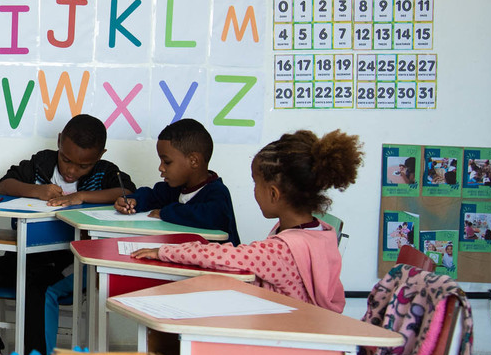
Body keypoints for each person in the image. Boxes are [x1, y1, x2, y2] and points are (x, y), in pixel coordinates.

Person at [131, 129, 362, 313]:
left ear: (273, 193)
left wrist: (163, 252)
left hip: (279, 341)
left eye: (255, 183)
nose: (254, 191)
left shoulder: (283, 250)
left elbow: (223, 255)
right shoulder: (320, 232)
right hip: (299, 330)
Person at [0, 114, 136, 355]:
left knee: (39, 289)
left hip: (71, 263)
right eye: (66, 159)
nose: (71, 170)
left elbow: (127, 191)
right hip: (27, 258)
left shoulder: (105, 172)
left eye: (83, 166)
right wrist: (36, 191)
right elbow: (4, 185)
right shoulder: (40, 164)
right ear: (59, 141)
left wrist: (82, 196)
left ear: (100, 156)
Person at [115, 118, 240, 245]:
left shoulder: (217, 191)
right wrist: (134, 201)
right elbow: (152, 195)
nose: (160, 168)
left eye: (167, 162)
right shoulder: (174, 188)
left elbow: (210, 217)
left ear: (193, 161)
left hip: (218, 261)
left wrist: (165, 212)